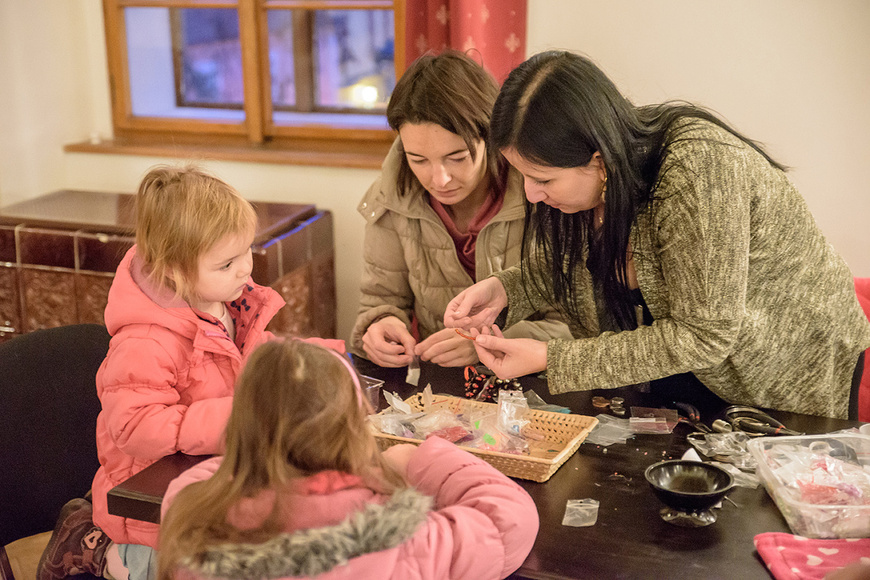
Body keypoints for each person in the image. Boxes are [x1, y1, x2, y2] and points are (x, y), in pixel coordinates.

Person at [444, 50, 870, 420]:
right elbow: (576, 263)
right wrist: (506, 289)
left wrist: (552, 359)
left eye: (543, 179)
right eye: (521, 175)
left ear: (599, 161)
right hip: (687, 370)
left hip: (781, 370)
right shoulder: (588, 186)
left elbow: (704, 334)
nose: (532, 195)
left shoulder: (700, 172)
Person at [38, 165, 341, 580]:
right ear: (175, 271)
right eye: (226, 263)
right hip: (156, 524)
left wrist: (322, 359)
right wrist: (235, 416)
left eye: (246, 252)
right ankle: (99, 549)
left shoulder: (223, 305)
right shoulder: (145, 342)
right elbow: (136, 426)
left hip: (207, 488)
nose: (244, 270)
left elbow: (252, 357)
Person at [157, 339, 539, 580]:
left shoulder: (191, 515)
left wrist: (253, 456)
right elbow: (507, 519)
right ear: (354, 426)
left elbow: (210, 475)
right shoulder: (411, 540)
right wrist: (420, 459)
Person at [351, 50, 570, 369]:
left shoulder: (541, 192)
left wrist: (487, 344)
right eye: (418, 160)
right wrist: (381, 326)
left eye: (457, 157)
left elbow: (578, 327)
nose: (439, 179)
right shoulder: (391, 197)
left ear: (491, 136)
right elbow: (381, 300)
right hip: (441, 388)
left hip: (535, 387)